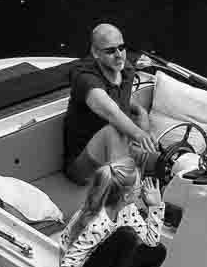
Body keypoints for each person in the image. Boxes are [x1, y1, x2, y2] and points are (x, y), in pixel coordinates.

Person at [60, 156, 166, 267]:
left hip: (102, 261)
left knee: (158, 251)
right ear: (125, 195)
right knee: (126, 236)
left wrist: (155, 206)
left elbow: (150, 242)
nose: (143, 186)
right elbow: (67, 263)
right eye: (139, 185)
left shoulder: (127, 208)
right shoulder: (97, 222)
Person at [62, 24, 155, 185]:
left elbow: (122, 98)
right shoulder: (85, 77)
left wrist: (141, 112)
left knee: (162, 162)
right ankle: (125, 189)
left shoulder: (125, 68)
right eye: (111, 51)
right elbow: (111, 112)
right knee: (112, 131)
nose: (119, 55)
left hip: (119, 152)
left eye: (122, 47)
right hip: (84, 168)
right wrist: (140, 135)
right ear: (95, 53)